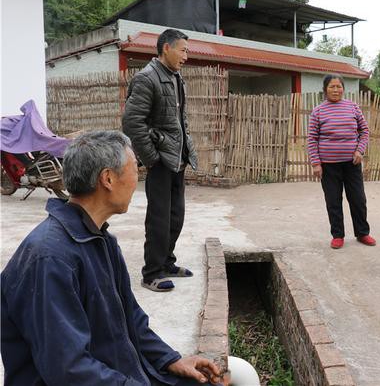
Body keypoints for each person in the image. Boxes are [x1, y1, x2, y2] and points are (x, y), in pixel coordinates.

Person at [0, 131, 224, 386]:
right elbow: (68, 370)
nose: (137, 177)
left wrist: (170, 360)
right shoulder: (50, 258)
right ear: (107, 178)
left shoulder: (102, 242)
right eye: (133, 169)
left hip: (118, 374)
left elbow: (132, 320)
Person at [122, 29, 198, 292]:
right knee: (159, 218)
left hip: (177, 158)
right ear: (166, 48)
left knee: (176, 216)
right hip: (160, 161)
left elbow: (178, 121)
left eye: (187, 50)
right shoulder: (147, 78)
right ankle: (151, 272)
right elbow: (132, 122)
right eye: (183, 50)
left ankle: (167, 262)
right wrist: (151, 158)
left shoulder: (175, 77)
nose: (186, 56)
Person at [307, 74, 376, 249]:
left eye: (339, 86)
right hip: (329, 166)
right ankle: (337, 235)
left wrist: (360, 150)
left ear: (343, 89)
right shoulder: (318, 111)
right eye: (332, 86)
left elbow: (364, 131)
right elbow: (312, 138)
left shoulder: (353, 107)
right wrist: (316, 163)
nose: (336, 90)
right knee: (333, 200)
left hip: (351, 164)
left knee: (358, 199)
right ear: (325, 90)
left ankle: (362, 233)